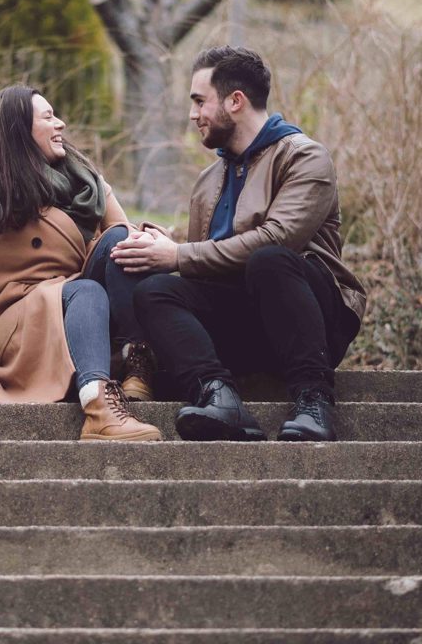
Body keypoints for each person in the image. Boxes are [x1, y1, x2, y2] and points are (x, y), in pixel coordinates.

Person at [111, 46, 366, 442]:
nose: (193, 114)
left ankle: (314, 400)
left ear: (235, 101)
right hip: (245, 327)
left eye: (200, 101)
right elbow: (203, 268)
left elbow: (279, 237)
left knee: (269, 261)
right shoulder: (209, 180)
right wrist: (167, 246)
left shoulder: (305, 157)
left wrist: (177, 255)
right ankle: (218, 395)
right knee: (156, 291)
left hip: (310, 319)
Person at [0, 85, 161, 442]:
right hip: (22, 316)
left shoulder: (85, 182)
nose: (61, 124)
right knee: (85, 291)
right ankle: (99, 409)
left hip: (82, 305)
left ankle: (138, 363)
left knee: (120, 239)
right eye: (48, 117)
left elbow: (127, 241)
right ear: (18, 129)